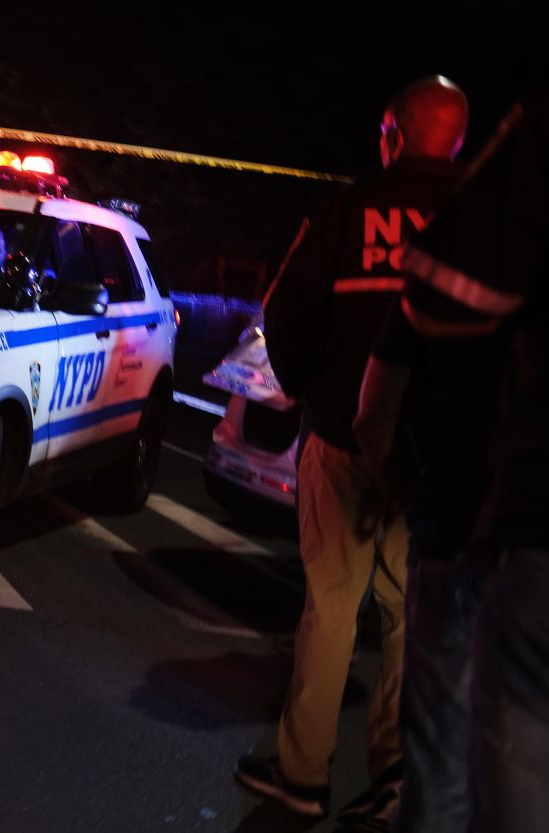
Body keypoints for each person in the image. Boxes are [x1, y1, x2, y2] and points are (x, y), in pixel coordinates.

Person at [234, 76, 468, 828]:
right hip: (439, 457)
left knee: (331, 610)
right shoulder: (483, 220)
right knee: (412, 616)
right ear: (458, 141)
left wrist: (316, 392)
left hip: (343, 439)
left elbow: (285, 309)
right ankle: (392, 776)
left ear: (391, 134)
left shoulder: (346, 211)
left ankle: (302, 774)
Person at [355, 93, 549, 833]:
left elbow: (372, 413)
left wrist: (413, 498)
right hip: (501, 533)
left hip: (480, 531)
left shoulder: (476, 229)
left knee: (445, 769)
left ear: (394, 131)